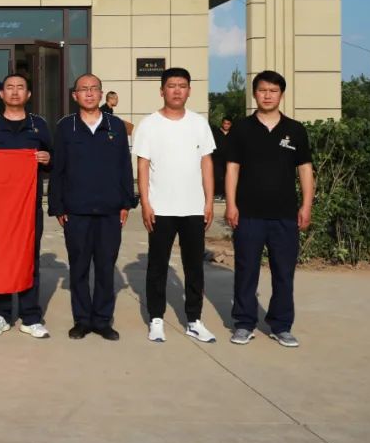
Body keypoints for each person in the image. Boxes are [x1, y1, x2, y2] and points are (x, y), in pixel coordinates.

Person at [225, 71, 314, 348]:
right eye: (262, 90)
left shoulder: (295, 130)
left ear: (281, 95)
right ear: (254, 93)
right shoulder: (242, 128)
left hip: (285, 214)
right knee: (246, 270)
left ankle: (281, 325)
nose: (267, 95)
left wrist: (307, 205)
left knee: (284, 273)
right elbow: (232, 168)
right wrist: (231, 204)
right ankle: (244, 323)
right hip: (248, 213)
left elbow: (305, 169)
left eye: (273, 91)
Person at [133, 67, 216, 344]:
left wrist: (208, 201)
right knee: (157, 266)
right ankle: (156, 319)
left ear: (189, 90)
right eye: (171, 85)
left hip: (193, 208)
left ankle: (194, 320)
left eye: (182, 85)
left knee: (194, 267)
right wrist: (146, 203)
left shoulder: (199, 123)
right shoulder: (149, 124)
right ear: (162, 91)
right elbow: (142, 166)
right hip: (161, 209)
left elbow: (206, 163)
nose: (177, 90)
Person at [49, 73, 134, 341]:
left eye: (94, 88)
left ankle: (102, 320)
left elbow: (124, 166)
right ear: (75, 95)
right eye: (83, 89)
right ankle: (82, 320)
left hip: (110, 210)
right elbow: (58, 169)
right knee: (79, 268)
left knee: (106, 267)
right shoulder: (66, 127)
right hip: (76, 211)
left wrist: (126, 202)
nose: (89, 93)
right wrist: (57, 206)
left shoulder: (115, 125)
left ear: (101, 93)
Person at [0, 73, 56, 339]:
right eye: (9, 88)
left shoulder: (39, 125)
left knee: (29, 258)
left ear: (28, 94)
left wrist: (47, 158)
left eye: (20, 88)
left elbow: (55, 160)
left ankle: (30, 317)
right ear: (1, 94)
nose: (14, 92)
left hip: (28, 206)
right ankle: (0, 314)